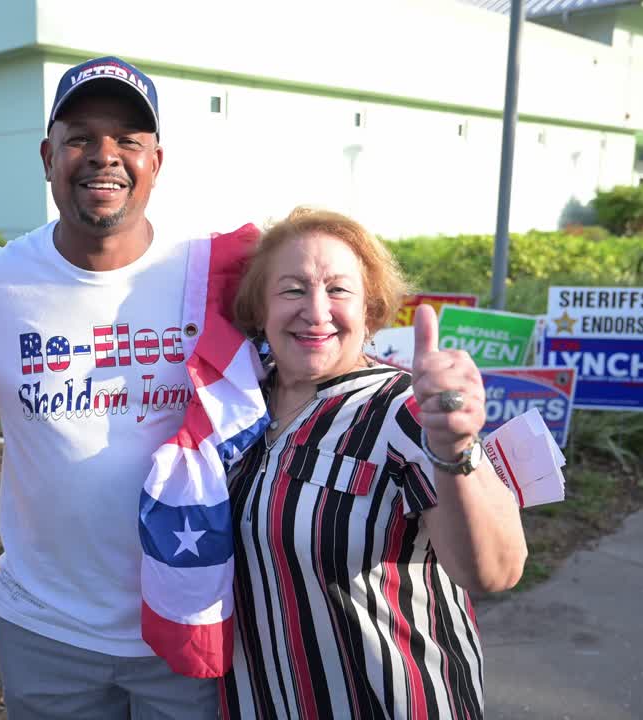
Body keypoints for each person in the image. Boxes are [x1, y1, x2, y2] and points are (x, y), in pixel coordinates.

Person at [0, 56, 222, 717]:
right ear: (48, 157)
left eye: (127, 139)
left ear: (156, 162)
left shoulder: (211, 272)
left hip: (188, 620)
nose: (104, 156)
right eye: (80, 138)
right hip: (46, 631)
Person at [223, 207, 527, 719]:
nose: (316, 311)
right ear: (259, 308)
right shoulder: (232, 404)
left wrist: (454, 448)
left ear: (371, 310)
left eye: (338, 290)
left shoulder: (404, 409)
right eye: (293, 290)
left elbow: (495, 571)